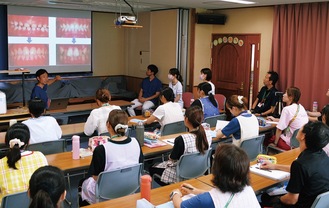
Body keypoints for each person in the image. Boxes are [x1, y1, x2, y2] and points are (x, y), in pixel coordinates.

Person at [80, 109, 143, 205]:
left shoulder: (101, 150)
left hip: (105, 193)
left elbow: (96, 177)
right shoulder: (136, 143)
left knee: (83, 182)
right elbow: (140, 166)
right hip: (130, 188)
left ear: (108, 125)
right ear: (126, 125)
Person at [260, 121, 329, 208]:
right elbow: (303, 170)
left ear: (303, 136)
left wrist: (278, 199)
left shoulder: (300, 164)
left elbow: (291, 200)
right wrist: (274, 166)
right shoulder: (322, 155)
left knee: (265, 198)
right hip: (316, 203)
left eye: (301, 128)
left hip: (301, 204)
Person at [170, 144, 260, 208]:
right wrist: (195, 191)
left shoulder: (206, 200)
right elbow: (219, 196)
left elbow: (180, 205)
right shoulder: (248, 188)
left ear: (217, 169)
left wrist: (175, 193)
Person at [149, 105, 212, 185]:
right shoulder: (208, 134)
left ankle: (168, 190)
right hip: (199, 170)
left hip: (181, 174)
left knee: (151, 168)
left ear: (186, 119)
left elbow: (173, 158)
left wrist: (169, 156)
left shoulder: (181, 139)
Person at [0, 123, 48, 203]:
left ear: (7, 142)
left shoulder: (1, 163)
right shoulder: (40, 156)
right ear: (28, 141)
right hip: (38, 204)